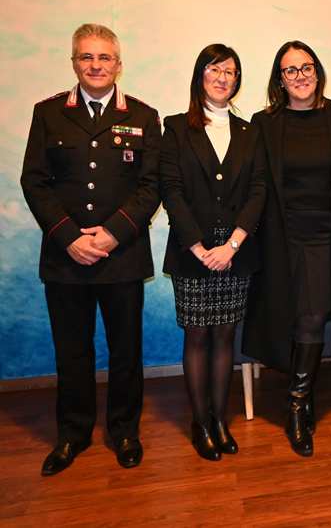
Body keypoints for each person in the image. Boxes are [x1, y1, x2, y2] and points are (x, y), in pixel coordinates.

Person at [20, 24, 161, 475]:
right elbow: (35, 182)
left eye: (104, 57)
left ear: (119, 65)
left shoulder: (143, 115)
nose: (95, 65)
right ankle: (73, 434)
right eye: (86, 56)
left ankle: (125, 431)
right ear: (74, 62)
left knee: (126, 351)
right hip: (66, 258)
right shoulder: (48, 113)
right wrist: (69, 238)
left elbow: (151, 185)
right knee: (72, 351)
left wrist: (114, 233)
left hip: (122, 255)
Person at [241, 41, 331, 457]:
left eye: (306, 67)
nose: (300, 76)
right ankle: (305, 395)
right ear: (280, 79)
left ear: (318, 72)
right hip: (281, 237)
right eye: (290, 70)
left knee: (312, 317)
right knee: (293, 315)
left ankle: (296, 406)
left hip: (327, 237)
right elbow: (254, 181)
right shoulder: (263, 123)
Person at [159, 44, 267, 461]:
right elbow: (171, 191)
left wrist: (232, 244)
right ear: (199, 74)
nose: (222, 78)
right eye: (214, 69)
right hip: (193, 251)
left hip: (236, 250)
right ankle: (200, 422)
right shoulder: (176, 128)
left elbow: (258, 190)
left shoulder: (249, 131)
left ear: (237, 81)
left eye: (230, 72)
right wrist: (200, 248)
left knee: (226, 334)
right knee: (198, 334)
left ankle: (221, 420)